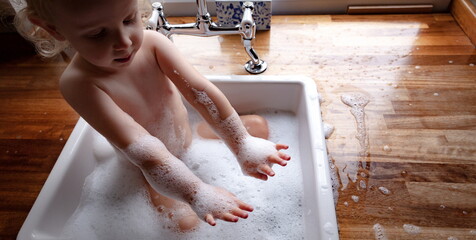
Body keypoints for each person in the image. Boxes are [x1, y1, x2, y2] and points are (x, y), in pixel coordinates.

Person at [15, 0, 291, 232]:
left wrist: (241, 143)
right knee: (185, 224)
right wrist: (197, 193)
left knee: (257, 126)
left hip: (189, 142)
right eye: (98, 34)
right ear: (53, 29)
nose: (124, 42)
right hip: (147, 171)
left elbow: (200, 93)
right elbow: (146, 152)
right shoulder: (79, 84)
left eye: (128, 19)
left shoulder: (153, 44)